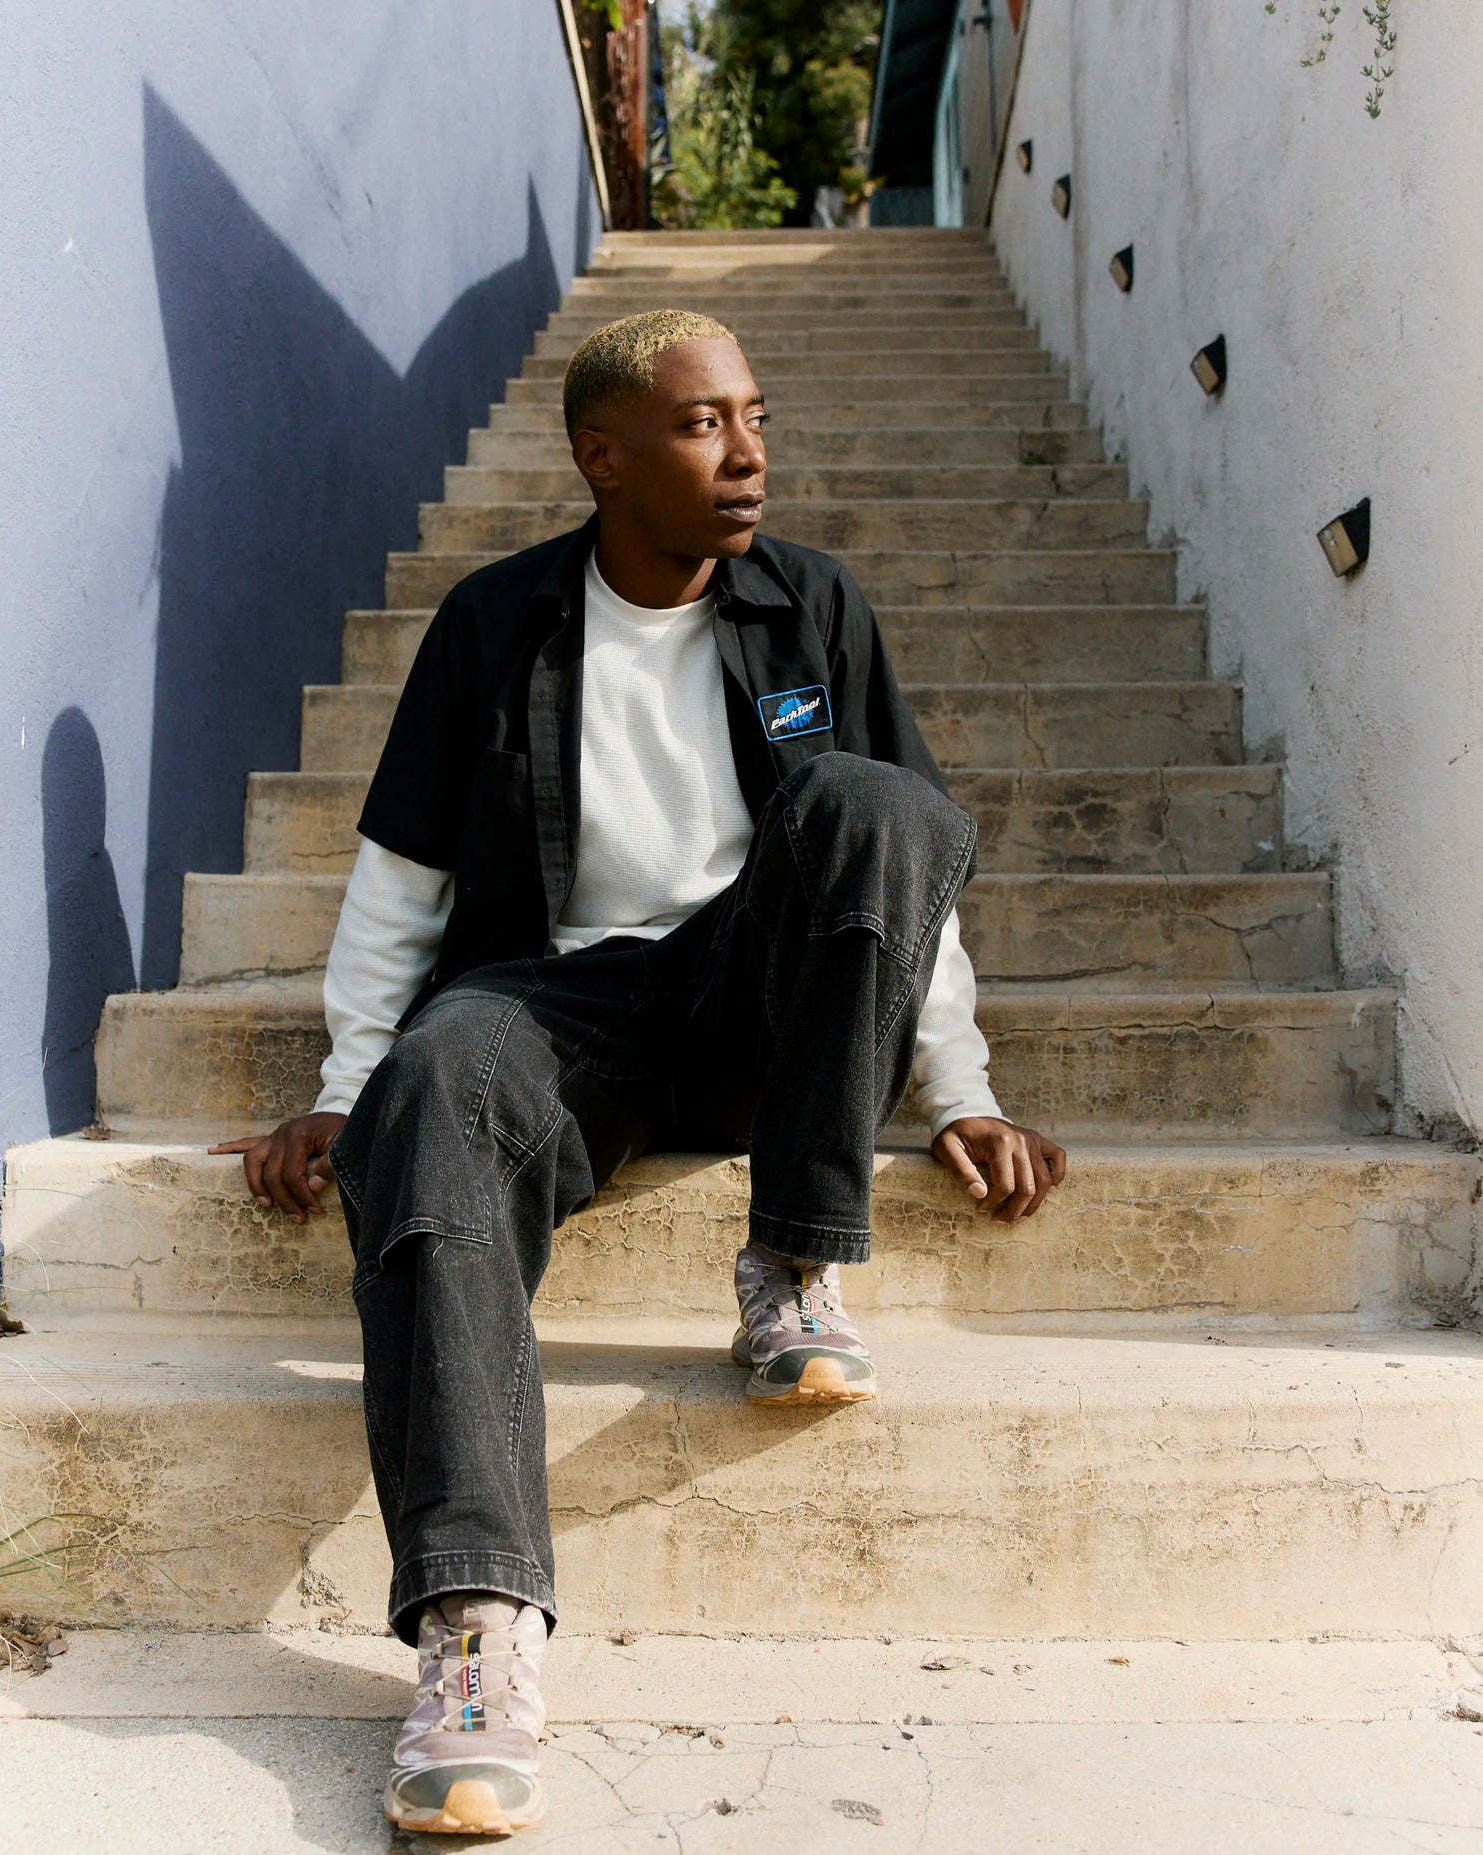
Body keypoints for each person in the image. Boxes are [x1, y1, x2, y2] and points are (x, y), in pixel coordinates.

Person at [212, 309, 1066, 1837]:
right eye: (701, 425)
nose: (747, 454)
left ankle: (796, 1261)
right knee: (432, 1087)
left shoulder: (815, 605)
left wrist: (964, 1091)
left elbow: (906, 878)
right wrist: (349, 1083)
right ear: (600, 456)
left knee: (880, 804)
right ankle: (477, 1630)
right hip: (560, 1004)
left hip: (760, 998)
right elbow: (402, 882)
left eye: (752, 415)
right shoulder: (494, 622)